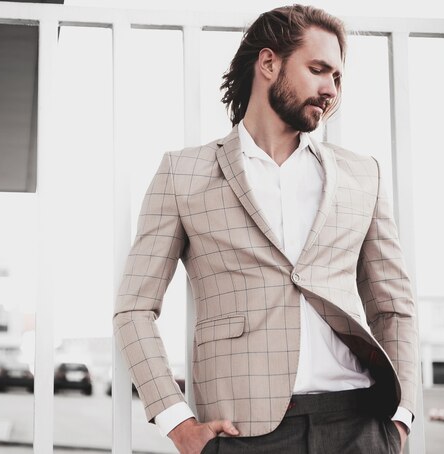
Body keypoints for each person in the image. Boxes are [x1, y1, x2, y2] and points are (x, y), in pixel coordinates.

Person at [113, 5, 417, 453]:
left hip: (360, 425)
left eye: (337, 77)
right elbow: (134, 308)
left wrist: (401, 419)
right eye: (318, 70)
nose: (330, 89)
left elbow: (394, 305)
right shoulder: (184, 173)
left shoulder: (363, 175)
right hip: (244, 433)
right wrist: (179, 423)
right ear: (269, 63)